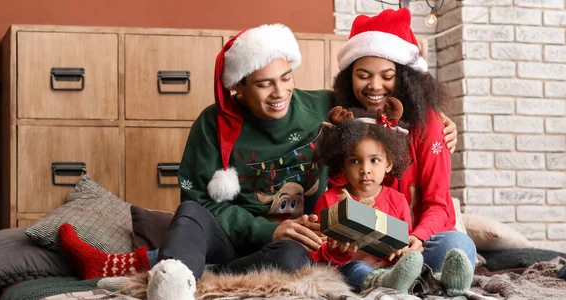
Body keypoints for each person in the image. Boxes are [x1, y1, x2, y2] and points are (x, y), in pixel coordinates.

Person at [57, 21, 460, 297]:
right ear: (239, 89)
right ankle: (169, 283)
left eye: (286, 79)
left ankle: (156, 274)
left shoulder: (324, 107)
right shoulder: (212, 124)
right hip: (234, 235)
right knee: (190, 216)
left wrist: (435, 120)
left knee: (292, 258)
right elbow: (196, 201)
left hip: (293, 246)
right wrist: (268, 230)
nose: (279, 93)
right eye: (264, 84)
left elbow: (381, 116)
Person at [329, 8, 477, 274]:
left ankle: (405, 272)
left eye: (387, 76)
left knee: (457, 246)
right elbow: (336, 192)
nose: (375, 86)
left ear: (405, 78)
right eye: (363, 76)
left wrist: (418, 237)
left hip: (420, 242)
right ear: (349, 76)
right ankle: (383, 276)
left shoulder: (429, 123)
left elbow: (438, 203)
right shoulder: (341, 119)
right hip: (364, 244)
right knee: (347, 262)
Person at [310, 104, 473, 294]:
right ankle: (394, 282)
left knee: (456, 244)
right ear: (343, 165)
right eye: (355, 161)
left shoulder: (397, 200)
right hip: (352, 268)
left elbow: (404, 244)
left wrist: (401, 250)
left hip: (394, 268)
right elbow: (318, 256)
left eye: (374, 160)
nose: (365, 169)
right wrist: (338, 251)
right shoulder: (330, 200)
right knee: (353, 271)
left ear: (388, 164)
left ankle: (443, 283)